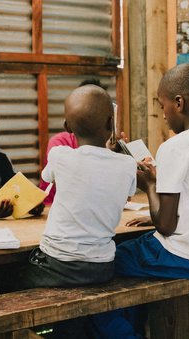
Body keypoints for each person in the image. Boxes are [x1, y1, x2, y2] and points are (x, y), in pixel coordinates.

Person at [92, 63, 189, 338]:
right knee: (127, 259)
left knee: (98, 267)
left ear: (179, 103)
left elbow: (165, 226)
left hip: (180, 256)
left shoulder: (175, 146)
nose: (163, 115)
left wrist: (150, 185)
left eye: (163, 106)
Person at [13, 84, 136, 290]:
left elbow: (46, 176)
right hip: (102, 267)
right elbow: (126, 194)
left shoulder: (60, 155)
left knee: (5, 279)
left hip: (57, 265)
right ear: (110, 123)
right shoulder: (127, 163)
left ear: (67, 126)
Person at [38, 78, 125, 205]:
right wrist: (107, 156)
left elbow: (120, 194)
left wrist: (113, 154)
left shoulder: (112, 145)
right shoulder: (59, 144)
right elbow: (69, 186)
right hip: (50, 207)